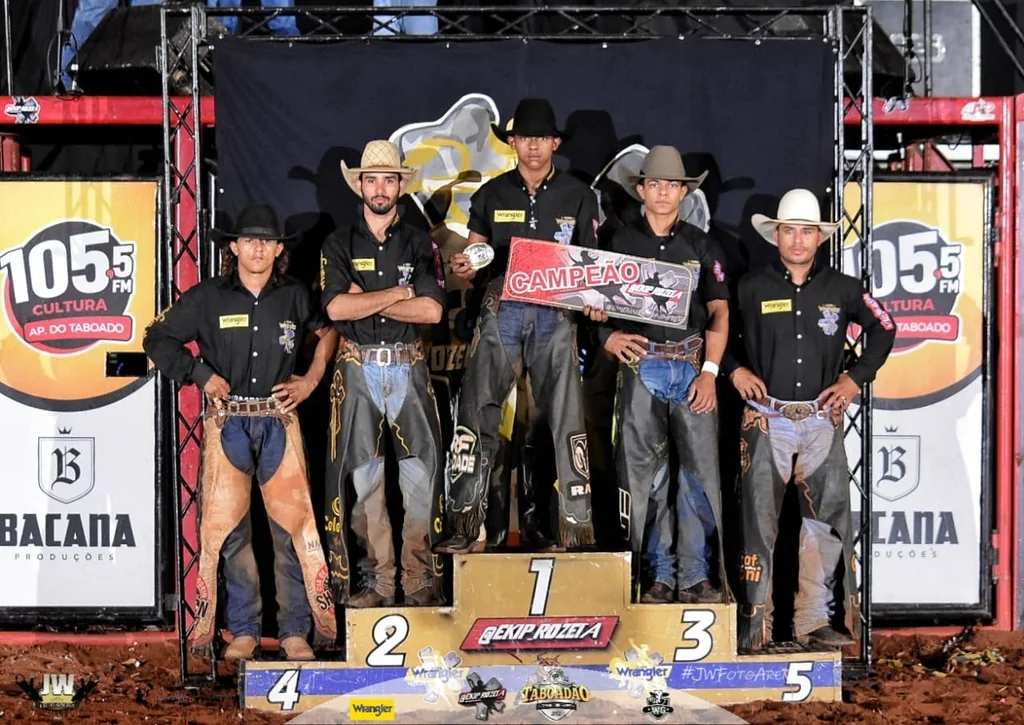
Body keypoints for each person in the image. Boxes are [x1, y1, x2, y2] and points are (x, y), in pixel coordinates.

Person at [143, 204, 338, 661]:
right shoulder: (208, 296)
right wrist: (198, 373)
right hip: (228, 421)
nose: (258, 248)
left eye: (267, 241)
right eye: (249, 240)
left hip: (277, 420)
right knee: (231, 533)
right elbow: (156, 336)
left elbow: (329, 332)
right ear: (233, 246)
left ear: (278, 249)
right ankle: (244, 630)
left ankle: (295, 632)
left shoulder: (294, 294)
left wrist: (310, 379)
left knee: (290, 530)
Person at [723, 189, 896, 649]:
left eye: (806, 231)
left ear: (819, 237)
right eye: (789, 230)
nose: (797, 240)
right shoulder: (750, 285)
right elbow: (716, 329)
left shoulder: (842, 288)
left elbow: (885, 326)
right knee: (758, 523)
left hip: (821, 418)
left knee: (826, 524)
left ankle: (815, 620)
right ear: (775, 234)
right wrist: (734, 368)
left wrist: (855, 378)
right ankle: (755, 622)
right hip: (766, 416)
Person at [434, 98, 599, 554]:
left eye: (541, 138)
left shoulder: (579, 195)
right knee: (477, 410)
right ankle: (466, 526)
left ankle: (569, 528)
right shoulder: (492, 192)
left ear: (555, 142)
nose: (532, 147)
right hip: (502, 302)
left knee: (560, 417)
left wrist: (595, 301)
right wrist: (467, 265)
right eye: (524, 138)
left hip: (556, 310)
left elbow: (594, 265)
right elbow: (477, 251)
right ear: (512, 142)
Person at [592, 146, 728, 604]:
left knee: (696, 475)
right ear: (642, 189)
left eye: (673, 185)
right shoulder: (618, 240)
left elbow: (720, 312)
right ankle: (658, 574)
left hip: (690, 365)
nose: (664, 192)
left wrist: (710, 371)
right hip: (641, 363)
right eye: (655, 184)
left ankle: (695, 574)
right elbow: (593, 301)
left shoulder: (703, 244)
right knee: (646, 478)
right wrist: (607, 336)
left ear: (684, 192)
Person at [321, 140, 447, 608]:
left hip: (407, 365)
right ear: (360, 185)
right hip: (357, 366)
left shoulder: (419, 241)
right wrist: (399, 292)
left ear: (399, 185)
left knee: (418, 477)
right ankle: (379, 581)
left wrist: (367, 296)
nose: (379, 187)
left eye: (388, 179)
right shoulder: (338, 243)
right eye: (371, 179)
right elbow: (336, 307)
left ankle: (416, 580)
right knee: (364, 481)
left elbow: (432, 311)